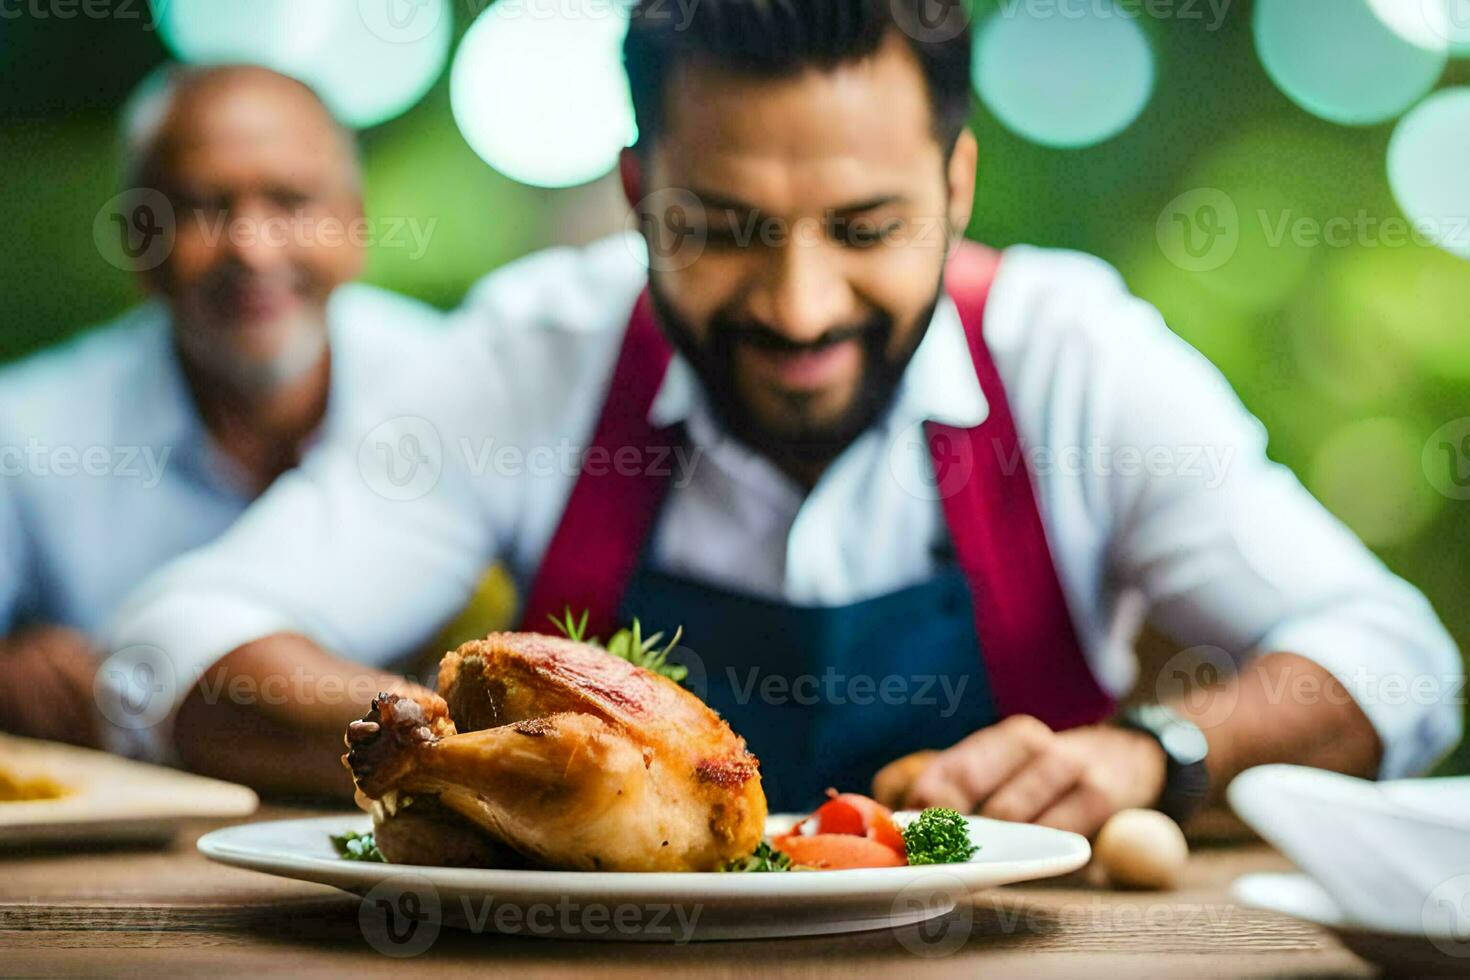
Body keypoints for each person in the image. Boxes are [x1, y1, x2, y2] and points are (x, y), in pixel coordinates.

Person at [110, 1, 1461, 829]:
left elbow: (1394, 659)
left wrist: (1157, 753)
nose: (801, 307)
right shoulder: (540, 354)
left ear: (958, 182)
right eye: (725, 231)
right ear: (639, 192)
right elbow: (176, 645)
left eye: (865, 228)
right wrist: (486, 753)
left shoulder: (1073, 357)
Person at [0, 65, 444, 751]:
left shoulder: (454, 389)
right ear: (138, 242)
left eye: (291, 202)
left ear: (354, 226)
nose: (252, 248)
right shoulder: (27, 430)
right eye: (203, 208)